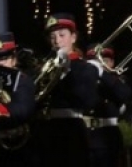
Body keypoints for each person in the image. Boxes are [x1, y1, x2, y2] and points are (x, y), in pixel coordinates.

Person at [31, 12, 99, 167]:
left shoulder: (84, 67)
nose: (57, 41)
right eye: (53, 37)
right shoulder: (44, 66)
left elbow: (89, 101)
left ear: (73, 38)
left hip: (72, 133)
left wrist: (67, 72)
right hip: (45, 132)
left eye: (62, 35)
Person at [0, 32, 37, 167]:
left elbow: (24, 110)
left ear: (14, 60)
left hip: (17, 148)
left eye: (4, 58)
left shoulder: (22, 80)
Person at [85, 44, 132, 167]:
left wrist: (102, 74)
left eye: (104, 61)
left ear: (111, 63)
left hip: (107, 138)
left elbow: (125, 94)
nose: (100, 64)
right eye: (96, 62)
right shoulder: (84, 80)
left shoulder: (115, 81)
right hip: (84, 136)